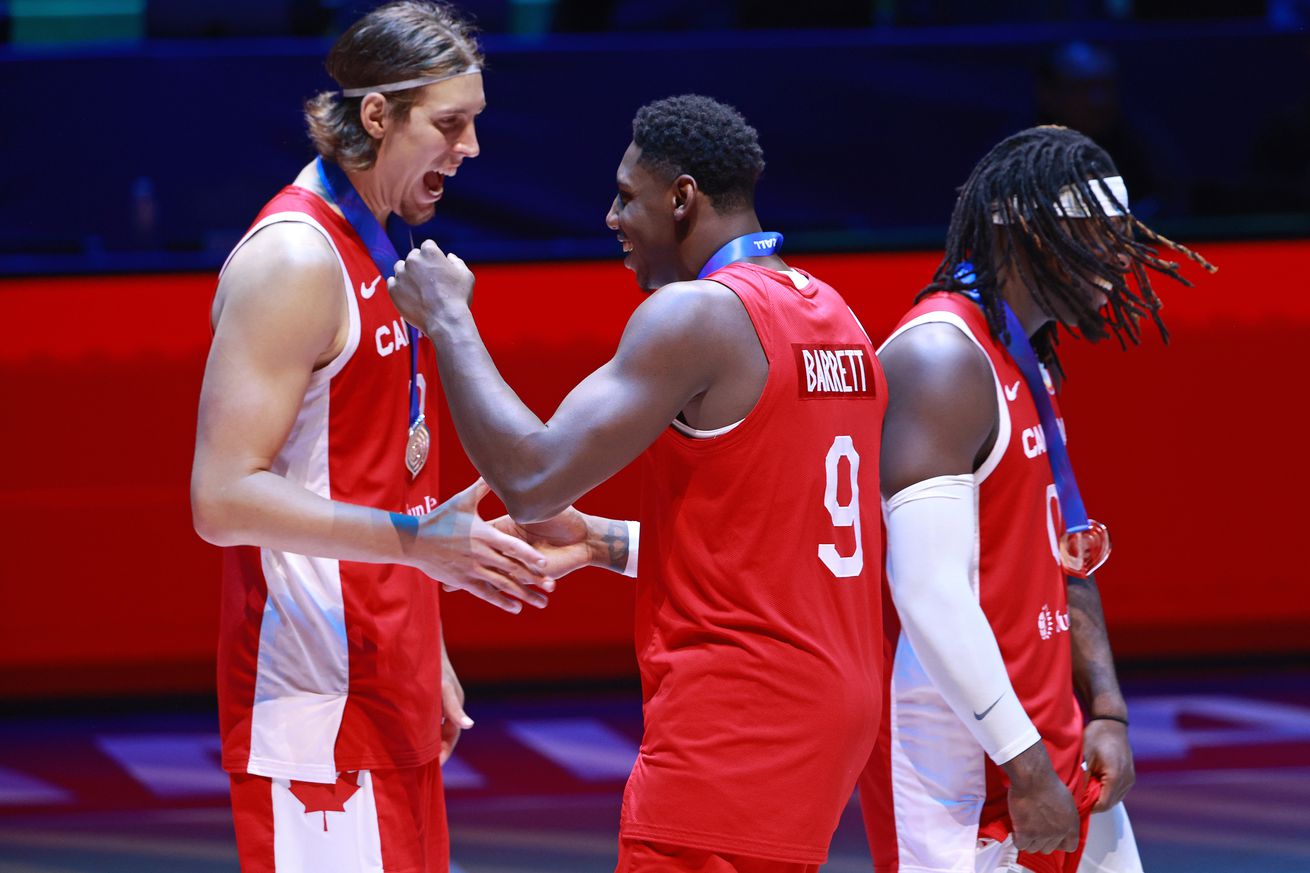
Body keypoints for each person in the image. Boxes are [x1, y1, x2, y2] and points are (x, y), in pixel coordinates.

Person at [388, 94, 888, 872]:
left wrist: (448, 319)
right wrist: (598, 540)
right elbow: (780, 538)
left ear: (681, 198)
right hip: (829, 708)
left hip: (735, 718)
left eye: (628, 196)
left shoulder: (699, 316)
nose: (612, 217)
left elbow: (531, 477)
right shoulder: (836, 315)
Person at [190, 3, 628, 870]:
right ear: (379, 115)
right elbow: (221, 497)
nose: (469, 150)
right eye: (450, 124)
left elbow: (374, 480)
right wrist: (417, 544)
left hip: (384, 685)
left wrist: (422, 640)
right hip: (317, 708)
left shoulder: (380, 245)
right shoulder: (294, 259)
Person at [858, 125, 1215, 873]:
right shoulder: (940, 358)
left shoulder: (1027, 357)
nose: (1119, 257)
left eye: (1124, 234)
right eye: (1097, 235)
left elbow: (1067, 551)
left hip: (1051, 738)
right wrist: (1025, 768)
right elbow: (929, 594)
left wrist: (1108, 706)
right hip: (962, 768)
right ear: (1023, 228)